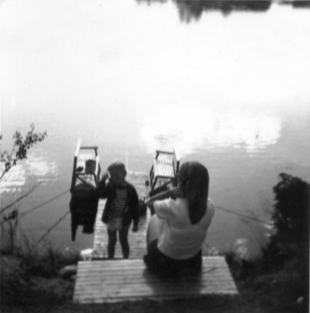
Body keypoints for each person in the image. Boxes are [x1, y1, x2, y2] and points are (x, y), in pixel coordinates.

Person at [143, 161, 215, 277]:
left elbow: (148, 203)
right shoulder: (210, 207)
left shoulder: (172, 205)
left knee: (155, 218)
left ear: (180, 181)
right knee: (171, 222)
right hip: (192, 264)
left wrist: (170, 192)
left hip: (163, 263)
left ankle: (156, 250)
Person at [98, 161, 139, 259]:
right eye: (112, 175)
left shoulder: (131, 189)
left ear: (125, 174)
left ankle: (126, 259)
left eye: (117, 174)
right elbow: (101, 194)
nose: (115, 177)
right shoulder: (110, 186)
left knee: (123, 240)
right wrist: (103, 181)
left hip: (124, 220)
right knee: (111, 241)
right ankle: (110, 259)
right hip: (111, 218)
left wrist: (136, 223)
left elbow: (135, 207)